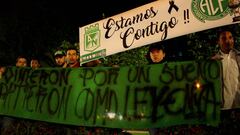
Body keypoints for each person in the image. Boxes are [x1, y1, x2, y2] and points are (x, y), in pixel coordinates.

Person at [211, 30, 240, 109]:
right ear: (218, 42)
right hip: (225, 108)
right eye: (224, 38)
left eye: (230, 38)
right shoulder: (213, 63)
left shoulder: (238, 57)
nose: (228, 41)